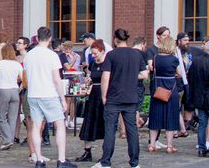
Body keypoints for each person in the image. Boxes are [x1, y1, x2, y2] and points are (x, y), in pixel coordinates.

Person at [24, 27, 77, 168]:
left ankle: (39, 159)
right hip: (49, 94)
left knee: (36, 126)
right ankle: (61, 160)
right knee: (59, 125)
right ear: (49, 39)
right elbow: (56, 79)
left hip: (33, 94)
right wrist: (62, 98)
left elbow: (26, 75)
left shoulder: (29, 55)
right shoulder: (51, 55)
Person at [98, 28, 148, 168]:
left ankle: (106, 162)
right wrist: (131, 76)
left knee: (110, 131)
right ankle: (134, 163)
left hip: (113, 98)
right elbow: (144, 75)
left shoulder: (111, 55)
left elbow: (105, 77)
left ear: (115, 39)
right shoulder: (136, 55)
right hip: (131, 97)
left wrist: (104, 95)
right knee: (132, 131)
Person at [74, 39, 107, 164]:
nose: (93, 56)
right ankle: (87, 151)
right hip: (93, 95)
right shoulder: (93, 64)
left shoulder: (107, 64)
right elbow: (90, 77)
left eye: (95, 53)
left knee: (103, 124)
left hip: (103, 94)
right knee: (89, 122)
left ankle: (105, 153)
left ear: (102, 51)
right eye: (92, 54)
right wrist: (88, 82)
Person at [147, 35, 180, 154]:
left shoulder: (156, 57)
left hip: (158, 90)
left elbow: (153, 69)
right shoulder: (174, 59)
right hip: (170, 91)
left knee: (155, 117)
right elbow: (180, 73)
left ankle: (151, 144)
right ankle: (169, 146)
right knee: (170, 117)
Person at [0, 41, 23, 150]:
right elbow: (23, 80)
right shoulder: (17, 64)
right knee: (13, 117)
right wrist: (19, 89)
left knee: (1, 116)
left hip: (3, 90)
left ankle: (7, 140)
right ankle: (11, 138)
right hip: (14, 90)